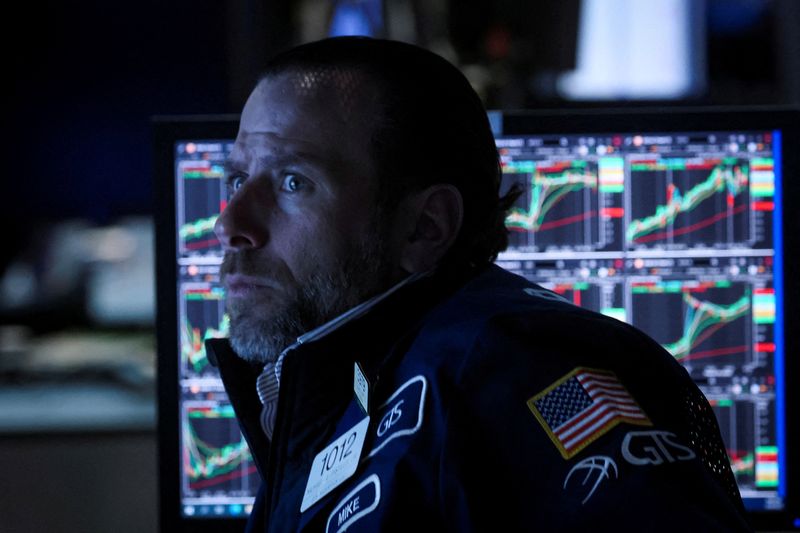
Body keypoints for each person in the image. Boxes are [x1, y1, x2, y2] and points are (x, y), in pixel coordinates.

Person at [206, 36, 752, 532]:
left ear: (424, 227)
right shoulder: (347, 381)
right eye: (236, 179)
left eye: (293, 182)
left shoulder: (526, 365)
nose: (230, 224)